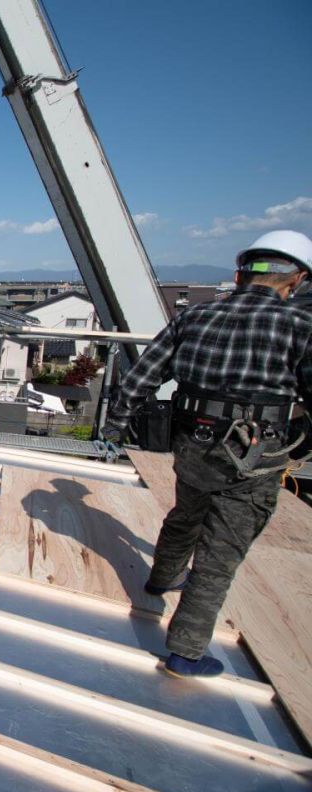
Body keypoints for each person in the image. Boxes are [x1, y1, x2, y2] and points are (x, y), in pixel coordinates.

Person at [102, 229, 312, 679]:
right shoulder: (300, 326)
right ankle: (186, 651)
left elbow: (143, 375)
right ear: (297, 282)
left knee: (186, 513)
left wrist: (116, 427)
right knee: (219, 554)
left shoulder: (195, 317)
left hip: (194, 441)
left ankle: (161, 578)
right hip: (254, 454)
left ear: (240, 274)